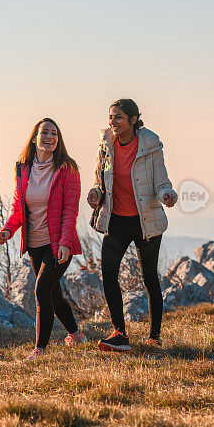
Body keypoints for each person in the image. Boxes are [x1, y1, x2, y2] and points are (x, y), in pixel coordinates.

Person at [87, 99, 177, 352]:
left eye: (118, 117)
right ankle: (120, 334)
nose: (112, 121)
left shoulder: (150, 145)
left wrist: (167, 195)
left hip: (145, 220)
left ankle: (154, 336)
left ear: (133, 120)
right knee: (108, 274)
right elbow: (98, 181)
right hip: (116, 219)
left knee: (149, 277)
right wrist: (95, 194)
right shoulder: (105, 145)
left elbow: (161, 182)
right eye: (111, 117)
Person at [0, 117, 86, 360]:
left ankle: (39, 350)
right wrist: (8, 230)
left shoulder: (67, 169)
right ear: (35, 138)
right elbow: (19, 207)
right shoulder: (23, 167)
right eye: (45, 132)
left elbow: (71, 210)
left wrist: (66, 243)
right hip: (34, 243)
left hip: (58, 243)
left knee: (41, 290)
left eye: (54, 133)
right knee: (53, 295)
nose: (50, 137)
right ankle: (76, 335)